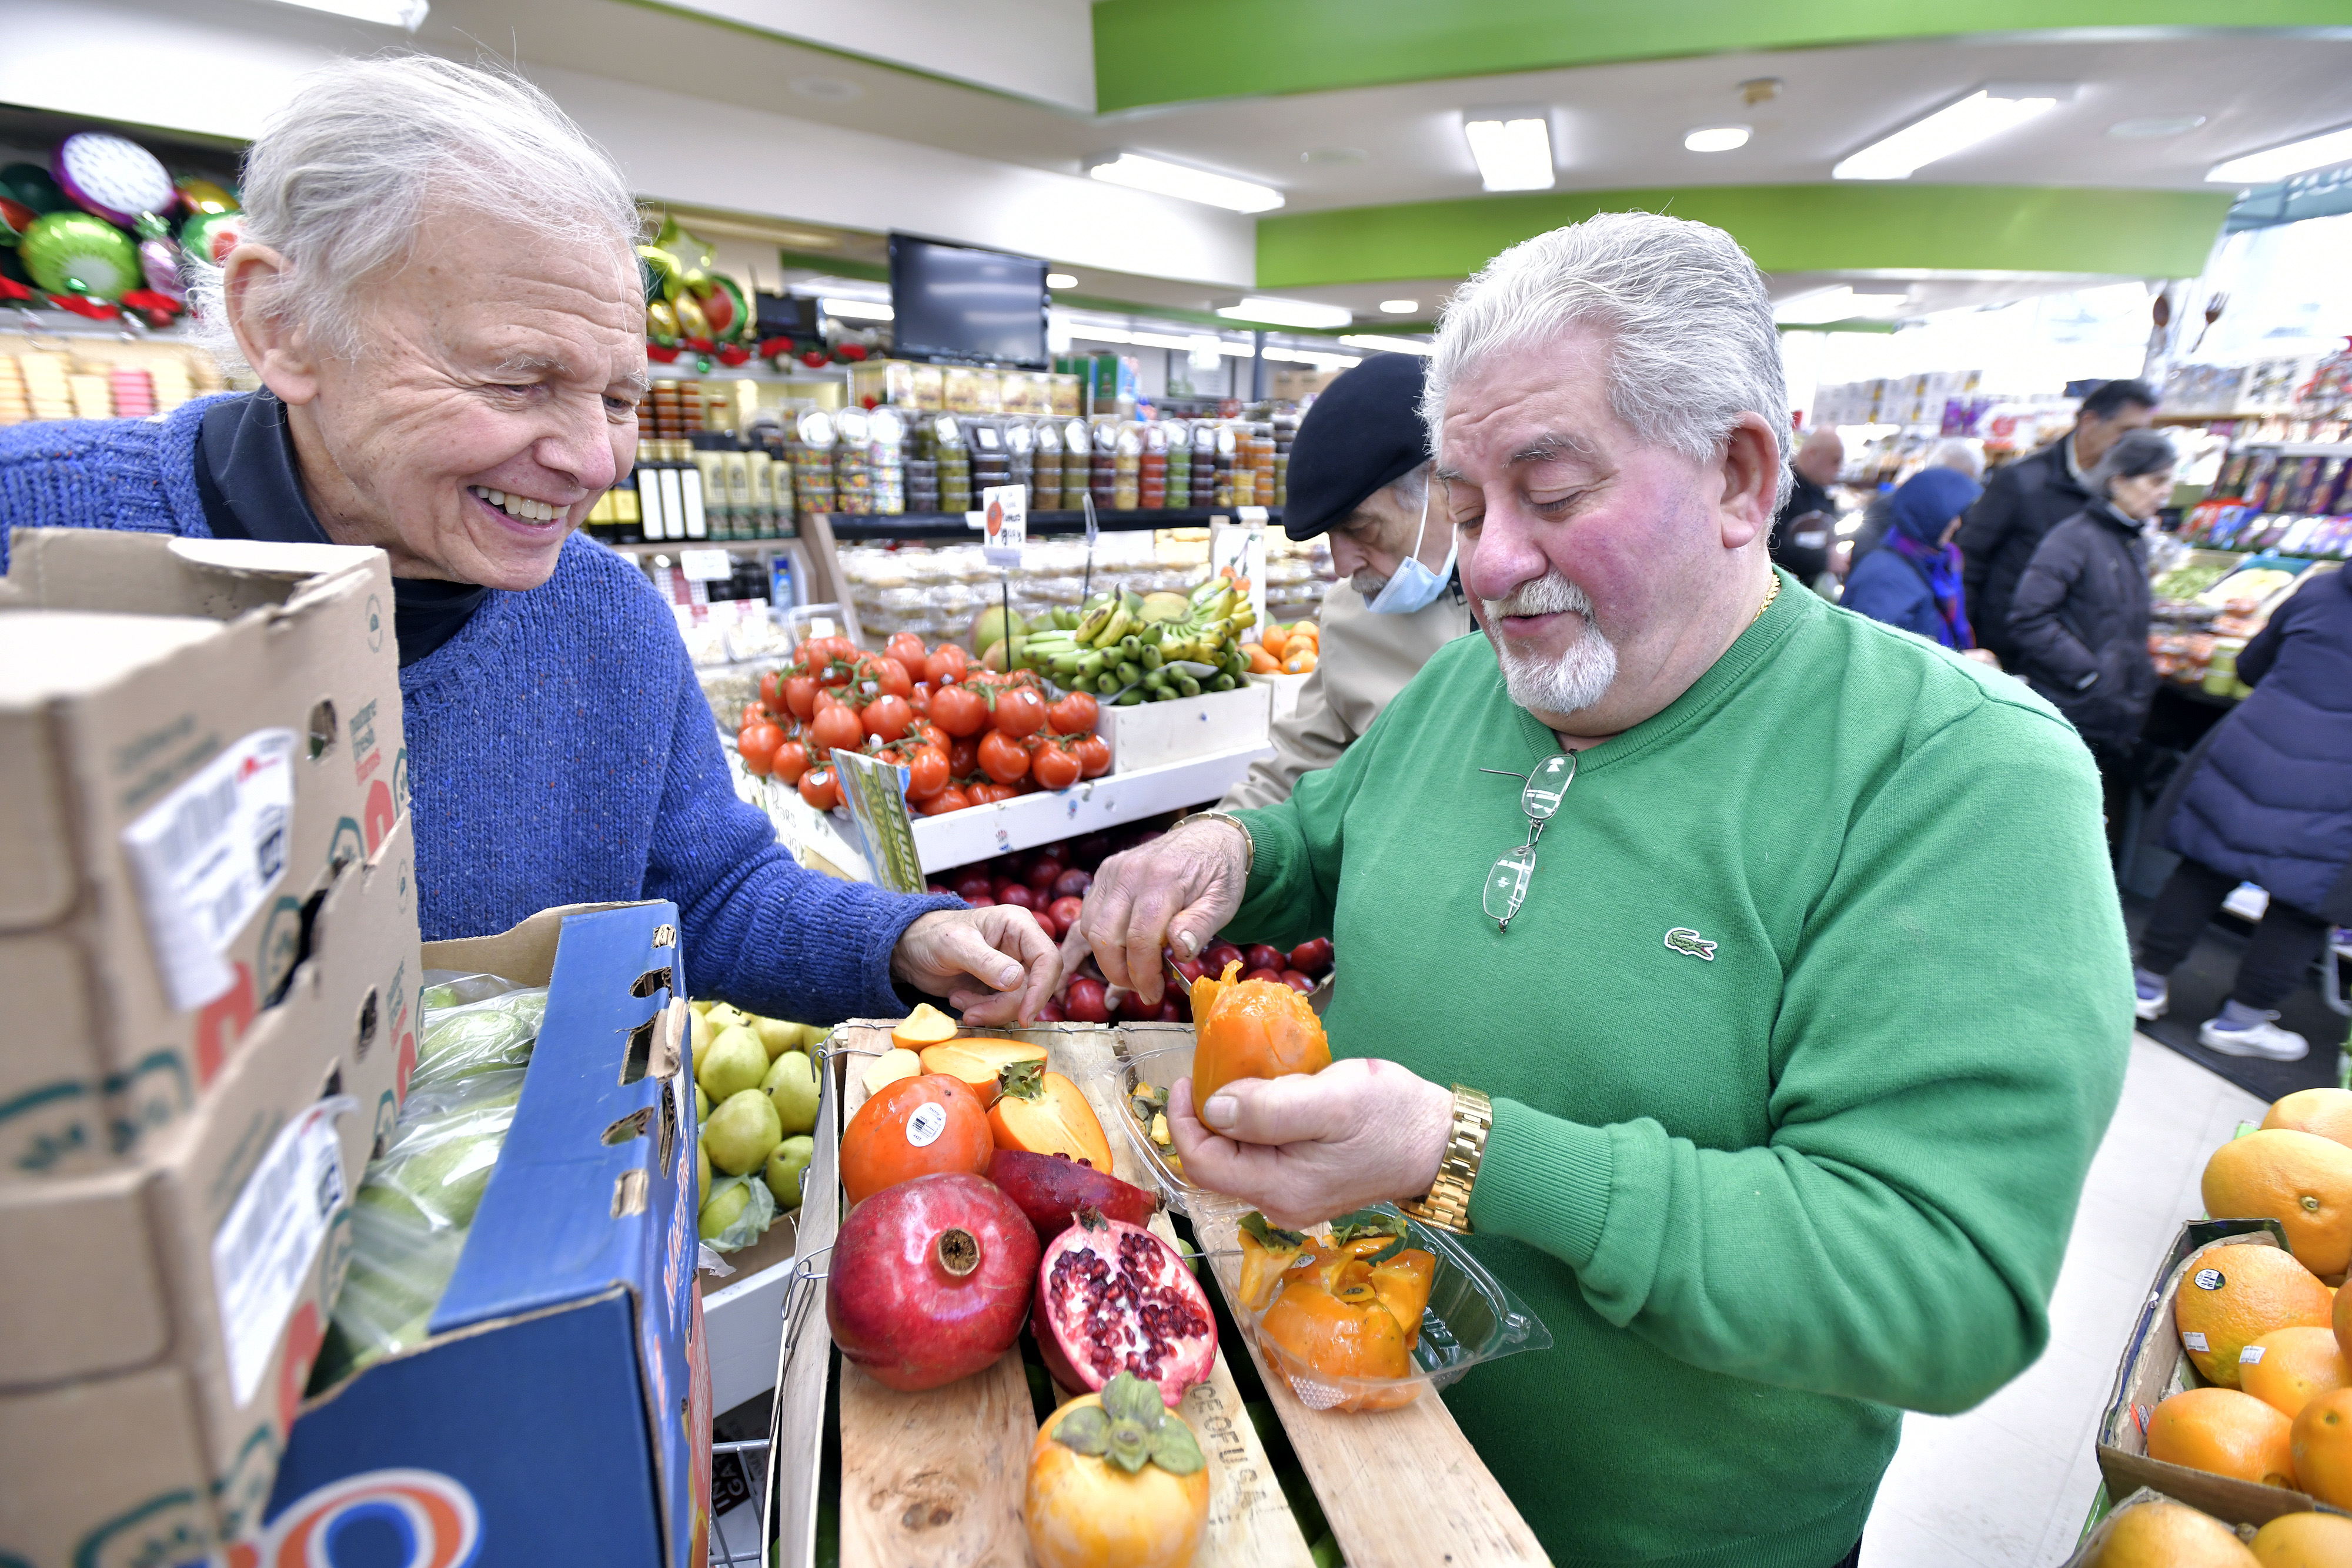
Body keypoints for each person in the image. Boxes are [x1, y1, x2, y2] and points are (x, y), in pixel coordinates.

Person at [1068, 212, 2128, 1567]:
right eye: (1461, 507)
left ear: (1742, 476)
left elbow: (1938, 1287)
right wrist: (1228, 852)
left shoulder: (1954, 780)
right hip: (1343, 1459)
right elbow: (1326, 836)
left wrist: (1464, 1152)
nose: (1490, 560)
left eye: (1551, 496)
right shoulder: (1467, 681)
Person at [0, 58, 1057, 1028]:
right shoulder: (35, 541)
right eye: (518, 379)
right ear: (283, 321)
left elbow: (709, 890)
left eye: (620, 397)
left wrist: (904, 937)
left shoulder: (606, 622)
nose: (596, 461)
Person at [1221, 355, 1472, 809]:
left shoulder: (1538, 602)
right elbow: (1297, 773)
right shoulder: (1349, 615)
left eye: (1360, 528)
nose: (1341, 566)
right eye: (1330, 537)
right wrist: (1218, 837)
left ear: (1448, 488)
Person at [2134, 564, 2352, 1060]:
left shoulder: (2320, 588)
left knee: (2204, 868)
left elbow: (2251, 666)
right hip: (2341, 783)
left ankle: (2145, 984)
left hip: (2255, 746)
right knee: (2303, 904)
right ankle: (2242, 1021)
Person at [2007, 428, 2175, 855]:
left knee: (2096, 829)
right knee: (2062, 832)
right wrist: (2088, 675)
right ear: (2119, 480)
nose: (2166, 493)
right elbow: (2029, 616)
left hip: (2115, 713)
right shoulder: (2074, 538)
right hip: (2080, 708)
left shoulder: (2131, 540)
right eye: (2156, 481)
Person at [1957, 378, 2159, 666]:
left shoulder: (2118, 493)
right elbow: (1970, 559)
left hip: (2077, 658)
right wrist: (1968, 644)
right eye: (2126, 432)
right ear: (2090, 422)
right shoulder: (2023, 481)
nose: (2136, 446)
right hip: (2010, 652)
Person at [1839, 467, 1984, 650]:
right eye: (1951, 514)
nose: (1957, 524)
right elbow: (1877, 653)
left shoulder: (1933, 561)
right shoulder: (1885, 576)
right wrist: (1961, 660)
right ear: (1930, 513)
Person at [1847, 437, 1983, 571]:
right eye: (1953, 483)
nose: (1962, 494)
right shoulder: (1888, 508)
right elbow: (1865, 563)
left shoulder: (1968, 519)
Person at [1770, 427, 1842, 589]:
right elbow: (1771, 546)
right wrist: (1824, 560)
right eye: (1835, 461)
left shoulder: (1820, 492)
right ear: (1813, 454)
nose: (1839, 469)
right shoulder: (1779, 487)